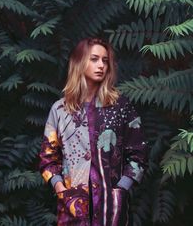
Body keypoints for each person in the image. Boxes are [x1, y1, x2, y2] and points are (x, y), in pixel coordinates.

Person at [39, 37, 147, 226]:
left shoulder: (120, 106)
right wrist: (60, 188)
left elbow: (139, 153)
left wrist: (122, 189)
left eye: (105, 61)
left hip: (111, 209)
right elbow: (48, 158)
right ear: (79, 63)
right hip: (72, 208)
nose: (101, 66)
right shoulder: (60, 110)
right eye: (94, 59)